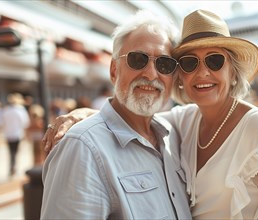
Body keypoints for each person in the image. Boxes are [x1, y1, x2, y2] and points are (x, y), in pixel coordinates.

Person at [42, 9, 258, 219]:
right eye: (189, 62)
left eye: (215, 61)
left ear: (232, 71)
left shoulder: (256, 127)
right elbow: (123, 117)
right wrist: (85, 116)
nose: (203, 72)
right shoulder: (179, 124)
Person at [40, 10, 191, 219]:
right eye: (138, 59)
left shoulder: (173, 135)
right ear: (113, 70)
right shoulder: (81, 148)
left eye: (164, 64)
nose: (150, 73)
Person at [1, 93, 30, 177]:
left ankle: (12, 166)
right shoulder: (20, 110)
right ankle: (14, 167)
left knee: (11, 152)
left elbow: (2, 122)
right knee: (15, 152)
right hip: (17, 134)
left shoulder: (6, 110)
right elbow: (25, 122)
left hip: (8, 134)